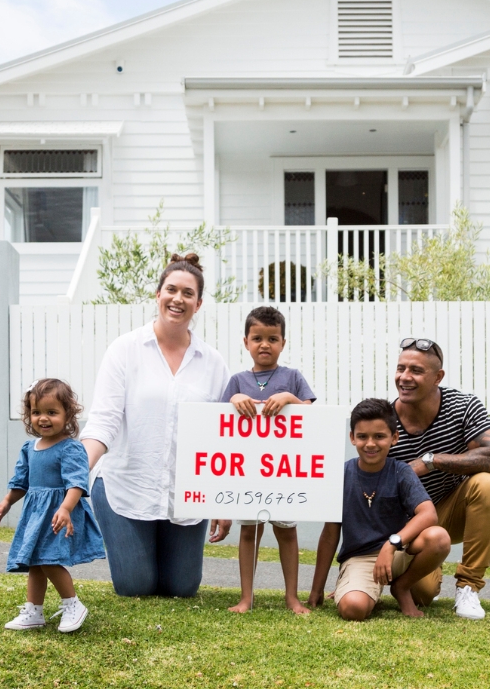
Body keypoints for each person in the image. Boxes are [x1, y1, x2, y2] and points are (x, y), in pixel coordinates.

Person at [80, 253, 231, 597]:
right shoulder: (125, 350)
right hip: (126, 487)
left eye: (188, 293)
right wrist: (73, 477)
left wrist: (224, 502)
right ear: (158, 294)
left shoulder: (213, 363)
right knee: (137, 586)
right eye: (171, 290)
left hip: (186, 495)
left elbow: (221, 437)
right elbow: (102, 423)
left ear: (199, 303)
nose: (178, 299)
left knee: (182, 588)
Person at [388, 337, 490, 620]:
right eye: (400, 368)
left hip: (451, 507)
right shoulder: (384, 417)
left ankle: (469, 587)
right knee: (424, 595)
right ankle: (431, 571)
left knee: (487, 484)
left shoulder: (463, 406)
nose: (404, 377)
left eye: (416, 370)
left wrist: (431, 461)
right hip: (412, 524)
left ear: (437, 377)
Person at [209, 305, 317, 614]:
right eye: (257, 338)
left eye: (273, 338)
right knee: (248, 531)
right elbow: (219, 422)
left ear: (283, 342)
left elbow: (311, 416)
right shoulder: (238, 380)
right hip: (249, 473)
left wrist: (290, 399)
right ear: (246, 342)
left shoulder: (293, 377)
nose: (265, 344)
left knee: (287, 531)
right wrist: (234, 399)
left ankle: (292, 598)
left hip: (284, 471)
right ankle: (246, 597)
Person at [306, 398, 451, 621]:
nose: (370, 444)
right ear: (352, 437)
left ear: (394, 438)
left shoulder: (401, 472)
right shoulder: (341, 475)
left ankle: (401, 588)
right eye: (362, 436)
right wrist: (317, 589)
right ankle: (353, 586)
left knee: (438, 539)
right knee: (353, 609)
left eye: (379, 436)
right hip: (360, 558)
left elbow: (428, 513)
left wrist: (391, 544)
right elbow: (330, 534)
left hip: (399, 552)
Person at [0, 378, 104, 633]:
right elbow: (21, 481)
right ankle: (34, 610)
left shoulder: (71, 448)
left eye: (52, 412)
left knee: (49, 559)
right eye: (36, 412)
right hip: (36, 514)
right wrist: (7, 501)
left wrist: (65, 508)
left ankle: (73, 604)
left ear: (68, 414)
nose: (43, 418)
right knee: (36, 561)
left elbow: (77, 482)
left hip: (60, 512)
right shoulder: (29, 448)